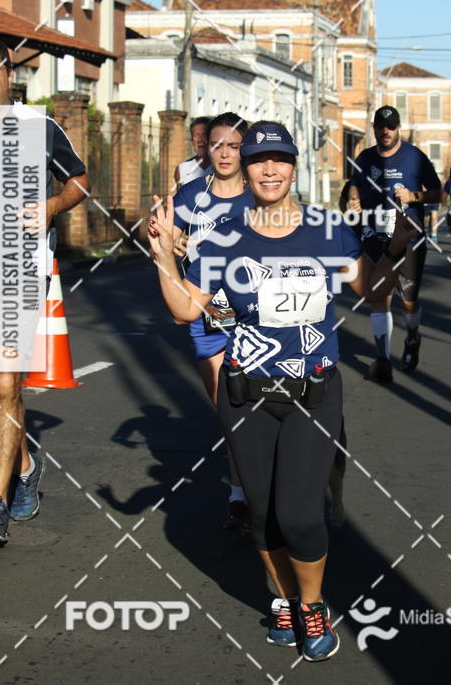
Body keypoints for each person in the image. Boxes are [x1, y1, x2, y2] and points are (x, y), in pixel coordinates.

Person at [149, 120, 414, 662]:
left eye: (280, 160)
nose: (269, 170)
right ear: (245, 169)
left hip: (312, 392)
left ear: (294, 167)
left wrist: (399, 243)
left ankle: (312, 605)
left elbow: (371, 290)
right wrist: (162, 252)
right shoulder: (223, 236)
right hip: (245, 394)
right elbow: (185, 311)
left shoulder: (327, 229)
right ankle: (286, 601)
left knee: (299, 514)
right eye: (258, 160)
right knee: (263, 513)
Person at [0, 38, 89, 543]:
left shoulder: (36, 128)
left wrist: (50, 206)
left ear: (8, 73)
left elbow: (79, 182)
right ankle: (25, 466)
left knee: (5, 384)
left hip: (18, 274)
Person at [172, 112, 253, 533]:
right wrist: (171, 243)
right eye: (217, 144)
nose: (224, 153)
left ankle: (245, 494)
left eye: (234, 146)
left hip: (253, 316)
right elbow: (164, 243)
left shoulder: (259, 196)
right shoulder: (189, 194)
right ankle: (242, 490)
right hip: (207, 316)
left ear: (245, 150)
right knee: (228, 407)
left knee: (254, 406)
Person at [347, 106, 442, 383]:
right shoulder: (365, 157)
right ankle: (383, 358)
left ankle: (412, 337)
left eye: (390, 126)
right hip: (375, 237)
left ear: (398, 127)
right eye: (380, 126)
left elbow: (438, 193)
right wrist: (354, 198)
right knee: (379, 296)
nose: (385, 131)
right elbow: (354, 184)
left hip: (408, 238)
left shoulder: (415, 157)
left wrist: (413, 196)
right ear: (374, 128)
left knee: (408, 302)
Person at [174, 116, 211, 186]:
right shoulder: (182, 169)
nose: (200, 140)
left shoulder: (223, 168)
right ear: (191, 139)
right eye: (196, 135)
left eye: (204, 135)